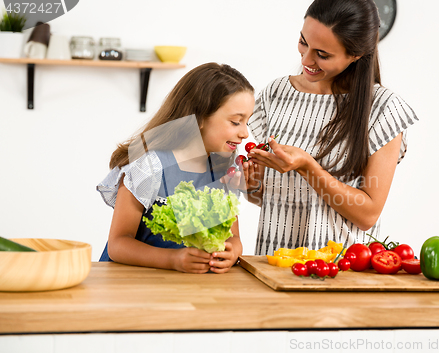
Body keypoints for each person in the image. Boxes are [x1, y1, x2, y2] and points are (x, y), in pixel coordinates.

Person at [242, 0, 419, 255]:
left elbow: (367, 215)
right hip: (275, 262)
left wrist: (308, 167)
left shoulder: (384, 109)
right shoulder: (275, 94)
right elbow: (270, 200)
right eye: (303, 42)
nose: (306, 58)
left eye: (322, 54)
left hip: (343, 269)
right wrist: (252, 186)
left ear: (356, 54)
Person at [96, 63, 255, 273]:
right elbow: (118, 245)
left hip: (185, 289)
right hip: (133, 285)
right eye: (236, 122)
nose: (245, 133)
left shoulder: (224, 167)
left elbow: (233, 237)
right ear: (199, 117)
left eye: (247, 122)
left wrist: (233, 250)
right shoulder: (149, 165)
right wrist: (173, 259)